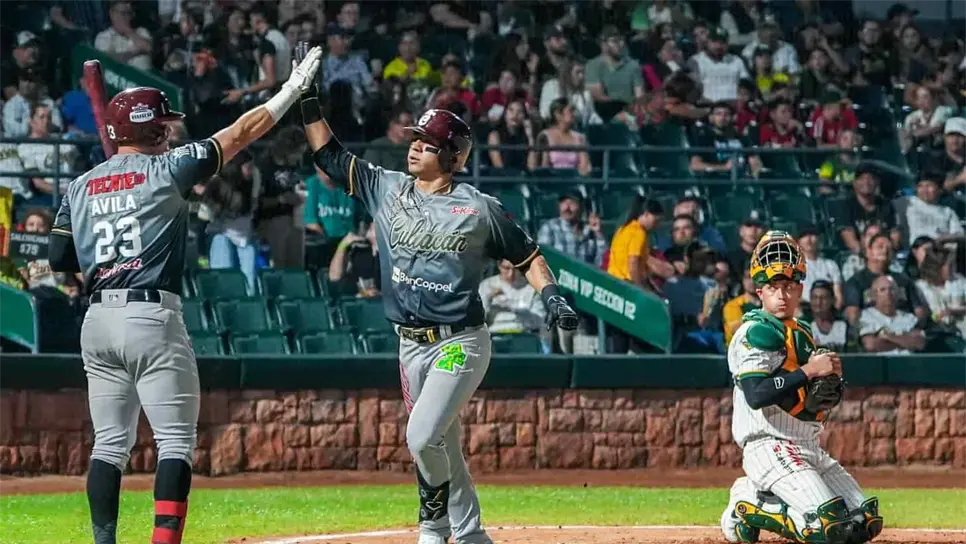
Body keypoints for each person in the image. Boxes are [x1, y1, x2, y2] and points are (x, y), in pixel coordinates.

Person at [296, 37, 578, 543]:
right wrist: (306, 100)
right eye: (415, 139)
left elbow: (529, 256)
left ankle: (432, 528)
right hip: (410, 345)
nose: (413, 147)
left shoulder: (478, 208)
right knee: (442, 443)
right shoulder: (386, 187)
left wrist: (551, 296)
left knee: (421, 435)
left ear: (450, 156)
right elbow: (330, 155)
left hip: (459, 341)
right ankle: (470, 536)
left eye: (425, 143)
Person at [47, 48, 323, 544]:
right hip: (151, 316)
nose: (172, 130)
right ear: (151, 132)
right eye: (165, 125)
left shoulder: (79, 186)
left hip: (97, 321)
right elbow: (240, 133)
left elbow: (60, 260)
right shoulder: (168, 168)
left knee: (109, 444)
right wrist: (289, 92)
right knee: (175, 440)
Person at [719, 230, 883, 544]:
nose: (781, 295)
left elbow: (808, 401)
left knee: (863, 522)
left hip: (808, 447)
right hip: (770, 445)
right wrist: (809, 371)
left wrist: (828, 382)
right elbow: (757, 395)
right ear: (760, 291)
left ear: (799, 290)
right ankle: (748, 501)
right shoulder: (755, 331)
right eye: (773, 288)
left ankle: (760, 495)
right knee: (825, 528)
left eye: (789, 287)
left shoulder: (802, 332)